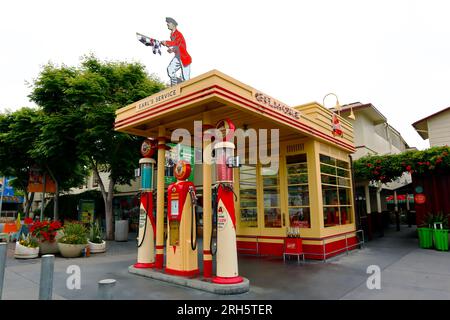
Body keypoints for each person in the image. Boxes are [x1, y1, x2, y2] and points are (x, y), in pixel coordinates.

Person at [161, 17, 192, 86]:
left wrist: (166, 42)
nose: (167, 24)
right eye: (167, 23)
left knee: (186, 78)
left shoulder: (178, 34)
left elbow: (176, 43)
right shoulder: (172, 34)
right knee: (170, 70)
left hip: (184, 58)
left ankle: (187, 88)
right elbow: (178, 46)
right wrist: (172, 50)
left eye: (168, 23)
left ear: (173, 24)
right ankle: (174, 86)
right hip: (178, 57)